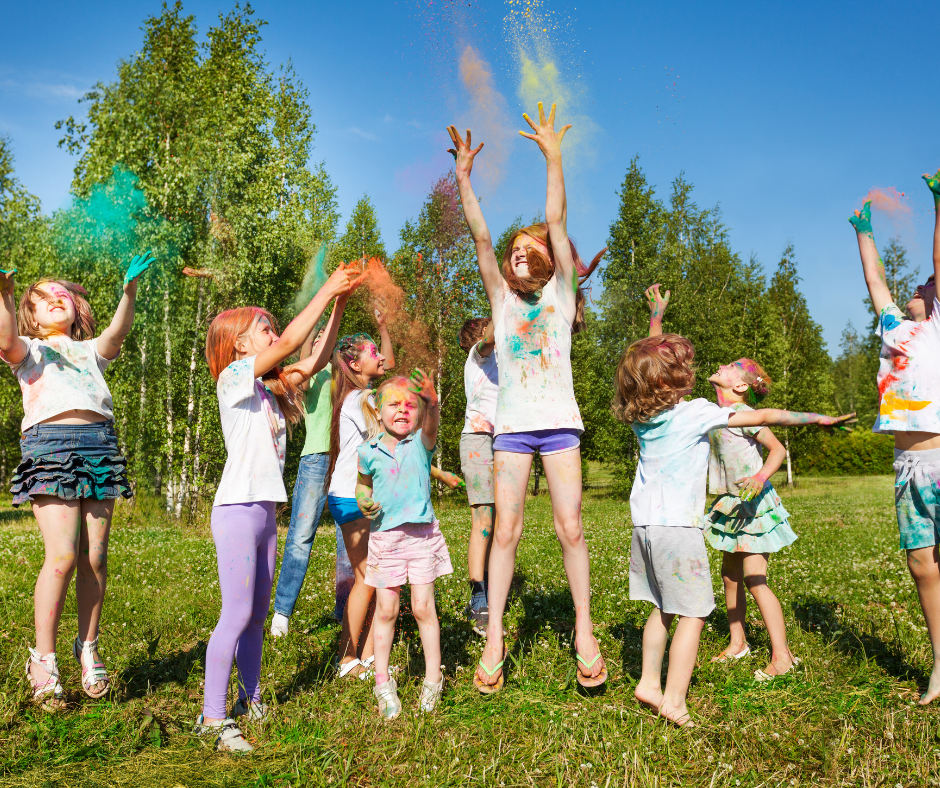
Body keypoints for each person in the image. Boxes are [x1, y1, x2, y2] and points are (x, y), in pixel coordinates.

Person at [613, 325, 853, 727]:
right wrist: (817, 419)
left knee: (662, 607)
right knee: (693, 614)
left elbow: (647, 365)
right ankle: (674, 698)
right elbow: (766, 413)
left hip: (644, 527)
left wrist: (655, 323)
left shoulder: (643, 415)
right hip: (677, 529)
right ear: (674, 379)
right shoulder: (697, 413)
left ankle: (648, 683)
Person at [448, 104, 607, 692]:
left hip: (560, 426)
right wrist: (464, 178)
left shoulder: (562, 298)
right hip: (511, 431)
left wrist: (554, 155)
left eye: (525, 249)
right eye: (512, 252)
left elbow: (556, 219)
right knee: (505, 531)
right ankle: (494, 641)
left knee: (571, 528)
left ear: (545, 259)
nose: (515, 254)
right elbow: (481, 235)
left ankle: (584, 631)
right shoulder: (501, 302)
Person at [196, 265, 356, 752]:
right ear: (240, 345)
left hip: (266, 510)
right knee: (237, 612)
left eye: (271, 324)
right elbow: (289, 344)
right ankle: (212, 717)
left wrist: (340, 305)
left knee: (259, 611)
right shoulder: (232, 379)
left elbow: (315, 357)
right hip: (238, 509)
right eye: (262, 327)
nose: (273, 331)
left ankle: (251, 697)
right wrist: (327, 288)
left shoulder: (268, 387)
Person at [0, 253, 155, 709]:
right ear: (31, 312)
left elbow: (117, 332)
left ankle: (87, 646)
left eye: (62, 294)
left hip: (99, 448)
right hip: (50, 449)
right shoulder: (31, 350)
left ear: (76, 309)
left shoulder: (88, 352)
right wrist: (5, 296)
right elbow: (5, 338)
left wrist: (127, 293)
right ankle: (43, 659)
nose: (56, 299)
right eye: (43, 297)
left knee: (96, 558)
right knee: (63, 555)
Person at [647, 284, 801, 680]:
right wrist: (658, 320)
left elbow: (778, 451)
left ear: (742, 386)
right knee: (730, 576)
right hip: (730, 504)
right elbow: (656, 372)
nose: (725, 364)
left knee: (754, 577)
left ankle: (782, 655)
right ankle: (738, 642)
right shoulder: (706, 412)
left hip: (753, 504)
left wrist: (761, 475)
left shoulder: (746, 414)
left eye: (735, 365)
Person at [850, 171, 940, 704]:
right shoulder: (893, 327)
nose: (916, 288)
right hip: (908, 469)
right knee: (921, 564)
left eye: (926, 287)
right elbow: (875, 280)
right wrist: (863, 231)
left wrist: (937, 205)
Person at [270, 304, 390, 638]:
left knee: (345, 543)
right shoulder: (314, 377)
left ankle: (345, 609)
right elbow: (309, 358)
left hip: (347, 464)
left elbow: (383, 365)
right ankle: (282, 611)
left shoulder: (349, 381)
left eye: (330, 337)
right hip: (316, 459)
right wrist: (312, 328)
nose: (327, 339)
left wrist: (381, 330)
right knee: (301, 534)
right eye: (322, 336)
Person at [356, 372, 453, 719]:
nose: (402, 411)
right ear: (378, 411)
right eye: (394, 404)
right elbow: (363, 486)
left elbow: (431, 425)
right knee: (386, 611)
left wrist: (433, 402)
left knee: (424, 608)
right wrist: (363, 500)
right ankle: (382, 682)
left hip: (421, 538)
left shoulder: (420, 445)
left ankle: (432, 678)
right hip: (385, 539)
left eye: (410, 405)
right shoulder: (367, 451)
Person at [327, 331, 394, 678]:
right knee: (367, 576)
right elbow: (395, 425)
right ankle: (347, 658)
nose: (380, 356)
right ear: (354, 364)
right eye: (373, 352)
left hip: (358, 496)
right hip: (349, 497)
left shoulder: (361, 396)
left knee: (375, 575)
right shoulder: (361, 398)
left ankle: (367, 655)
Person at [458, 316, 498, 635]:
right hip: (478, 441)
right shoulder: (478, 354)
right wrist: (505, 295)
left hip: (505, 441)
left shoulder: (501, 360)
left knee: (500, 525)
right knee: (483, 520)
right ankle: (478, 598)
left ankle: (493, 590)